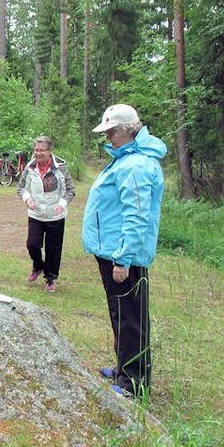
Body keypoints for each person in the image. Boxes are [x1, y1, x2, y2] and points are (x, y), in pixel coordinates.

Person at [82, 104, 166, 399]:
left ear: (125, 131)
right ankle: (124, 369)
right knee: (121, 313)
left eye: (110, 132)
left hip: (122, 254)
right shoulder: (127, 159)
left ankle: (134, 383)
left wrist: (123, 259)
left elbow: (136, 216)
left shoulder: (136, 165)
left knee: (131, 317)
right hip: (112, 250)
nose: (107, 138)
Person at [16, 135, 75, 292]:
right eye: (36, 150)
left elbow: (70, 190)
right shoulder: (30, 167)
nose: (38, 153)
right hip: (36, 214)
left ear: (50, 151)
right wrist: (27, 198)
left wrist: (62, 204)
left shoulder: (60, 167)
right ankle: (38, 266)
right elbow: (21, 188)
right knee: (32, 244)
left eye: (42, 150)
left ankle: (50, 279)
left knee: (53, 249)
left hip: (55, 216)